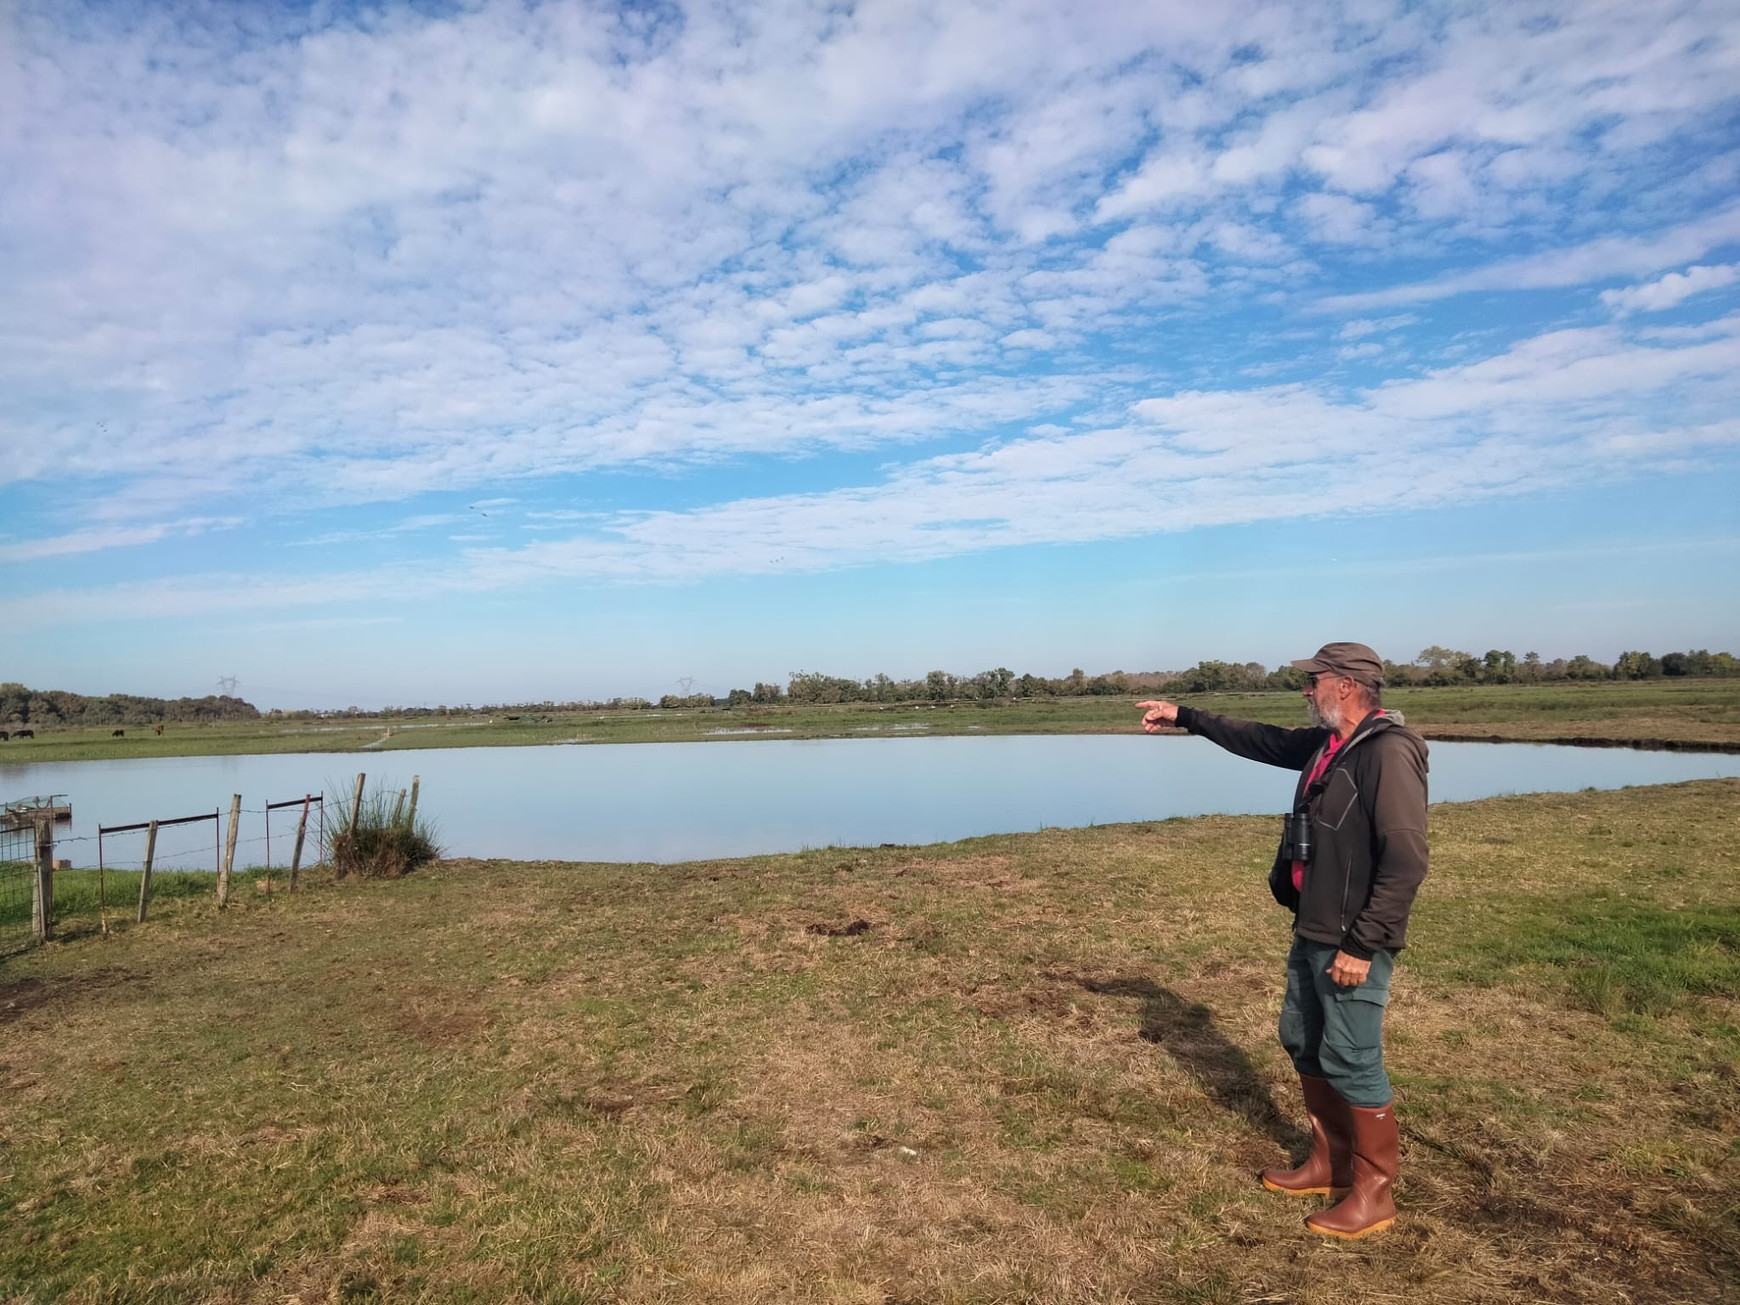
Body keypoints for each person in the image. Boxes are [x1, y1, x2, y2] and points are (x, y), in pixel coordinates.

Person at [1137, 642, 1428, 1239]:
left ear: (1346, 685)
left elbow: (1405, 858)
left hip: (1351, 935)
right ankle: (1330, 1162)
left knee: (1353, 1055)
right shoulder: (1329, 744)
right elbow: (1261, 740)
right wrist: (1185, 716)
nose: (1306, 689)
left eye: (1314, 680)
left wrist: (1363, 944)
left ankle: (1374, 1193)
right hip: (1314, 923)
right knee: (1302, 1038)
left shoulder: (1387, 751)